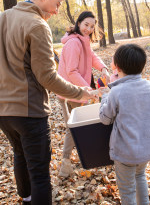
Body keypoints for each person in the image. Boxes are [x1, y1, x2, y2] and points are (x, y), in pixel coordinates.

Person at [0, 0, 96, 205]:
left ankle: (27, 200)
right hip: (29, 111)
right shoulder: (37, 25)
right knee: (39, 173)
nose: (58, 11)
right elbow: (47, 77)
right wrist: (81, 92)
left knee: (20, 156)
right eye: (57, 4)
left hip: (2, 112)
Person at [99, 44, 150, 205]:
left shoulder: (117, 92)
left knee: (127, 191)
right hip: (148, 149)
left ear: (117, 67)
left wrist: (104, 98)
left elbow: (105, 118)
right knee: (140, 176)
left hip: (127, 151)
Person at [56, 11, 110, 177]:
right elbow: (72, 71)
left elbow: (91, 56)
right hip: (72, 91)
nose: (88, 28)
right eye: (86, 24)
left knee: (77, 125)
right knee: (74, 127)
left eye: (92, 26)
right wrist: (88, 90)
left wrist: (103, 68)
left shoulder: (82, 41)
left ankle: (81, 157)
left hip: (78, 91)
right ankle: (65, 164)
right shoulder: (73, 43)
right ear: (78, 23)